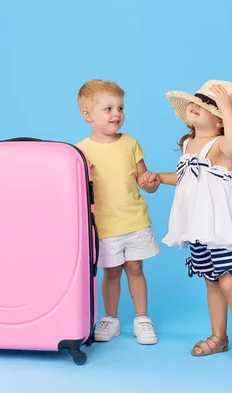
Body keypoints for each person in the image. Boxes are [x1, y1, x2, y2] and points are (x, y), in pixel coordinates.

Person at [144, 80, 232, 366]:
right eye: (196, 103)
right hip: (198, 227)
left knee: (230, 284)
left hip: (223, 228)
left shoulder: (223, 145)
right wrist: (159, 178)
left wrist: (226, 108)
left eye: (206, 106)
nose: (195, 107)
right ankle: (219, 337)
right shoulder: (189, 143)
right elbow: (188, 179)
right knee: (212, 282)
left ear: (222, 121)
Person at [75, 79, 161, 345]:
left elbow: (144, 181)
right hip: (104, 225)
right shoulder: (80, 151)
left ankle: (142, 318)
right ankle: (111, 319)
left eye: (120, 108)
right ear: (87, 115)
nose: (116, 114)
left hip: (134, 221)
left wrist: (151, 183)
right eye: (108, 108)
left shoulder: (130, 143)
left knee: (135, 268)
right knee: (111, 272)